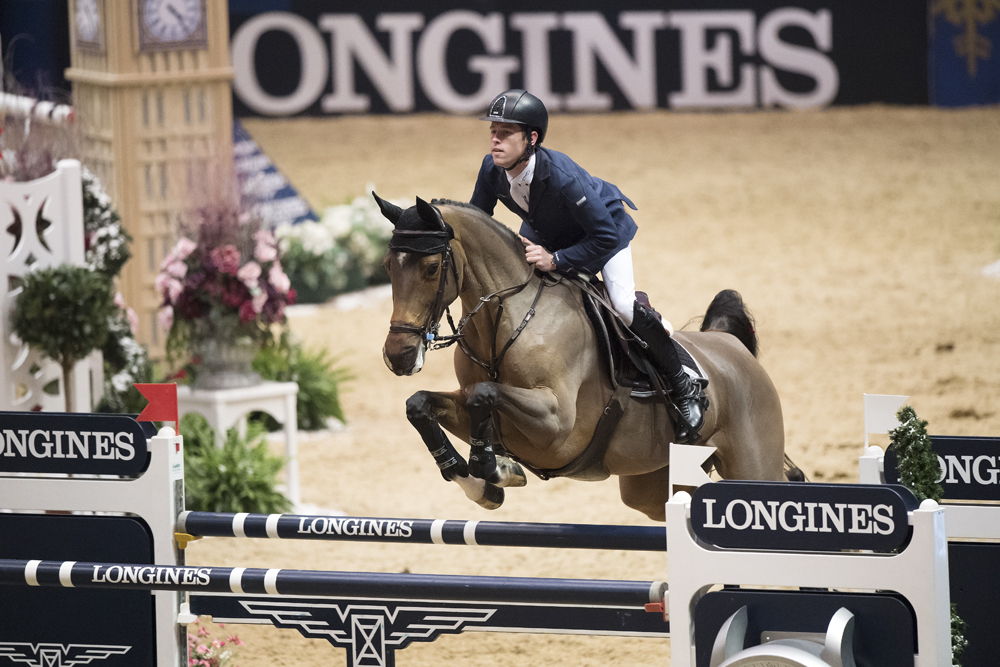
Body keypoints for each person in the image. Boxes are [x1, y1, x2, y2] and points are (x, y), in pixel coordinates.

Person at [470, 89, 707, 443]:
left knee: (623, 306)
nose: (495, 140)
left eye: (505, 133)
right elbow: (477, 219)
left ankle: (682, 383)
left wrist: (556, 260)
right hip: (549, 228)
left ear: (531, 138)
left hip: (603, 230)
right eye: (492, 131)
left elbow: (605, 235)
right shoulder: (492, 169)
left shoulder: (563, 178)